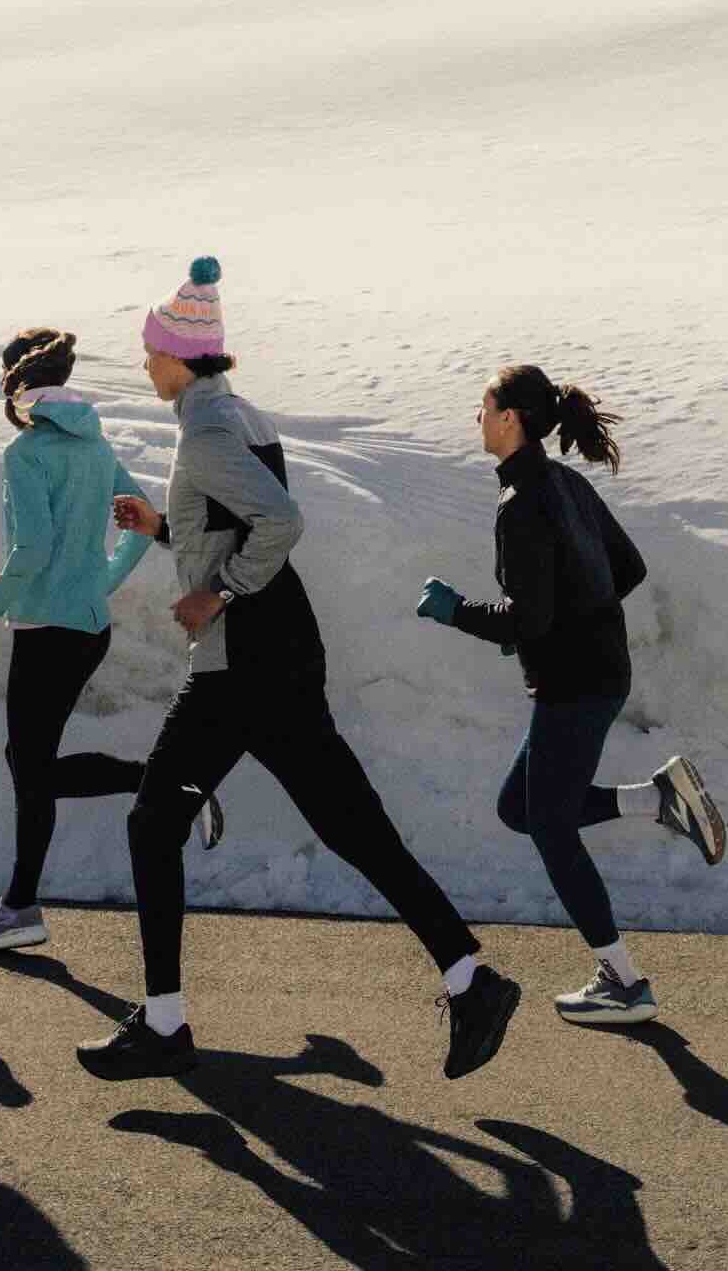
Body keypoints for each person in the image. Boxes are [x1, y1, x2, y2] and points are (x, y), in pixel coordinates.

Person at [77, 258, 521, 1082]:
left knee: (151, 824)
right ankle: (470, 978)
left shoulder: (208, 432)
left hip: (240, 665)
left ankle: (165, 1024)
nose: (144, 366)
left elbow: (280, 522)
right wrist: (168, 530)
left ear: (180, 356)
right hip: (281, 653)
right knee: (353, 827)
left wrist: (216, 593)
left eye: (149, 352)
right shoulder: (239, 416)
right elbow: (238, 520)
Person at [414, 363, 726, 1027]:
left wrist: (455, 611)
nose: (476, 418)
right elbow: (627, 569)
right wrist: (560, 615)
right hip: (595, 673)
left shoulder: (522, 501)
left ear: (509, 421)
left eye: (483, 406)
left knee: (551, 829)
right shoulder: (565, 482)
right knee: (518, 809)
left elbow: (526, 617)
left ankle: (623, 981)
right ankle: (657, 799)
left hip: (574, 685)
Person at [0, 328, 224, 958]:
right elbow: (142, 514)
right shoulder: (96, 446)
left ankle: (24, 905)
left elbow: (33, 549)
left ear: (16, 385)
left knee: (30, 771)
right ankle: (22, 903)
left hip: (47, 632)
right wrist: (101, 580)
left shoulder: (27, 453)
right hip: (86, 628)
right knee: (29, 767)